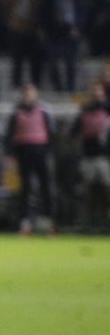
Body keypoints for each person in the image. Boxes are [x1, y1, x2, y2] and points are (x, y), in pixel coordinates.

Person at [6, 84, 56, 235]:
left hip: (41, 153)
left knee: (45, 187)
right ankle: (25, 222)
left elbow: (51, 134)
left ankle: (49, 221)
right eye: (26, 93)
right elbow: (10, 135)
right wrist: (11, 155)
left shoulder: (43, 111)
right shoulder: (17, 112)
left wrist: (48, 151)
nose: (28, 96)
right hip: (23, 154)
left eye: (31, 93)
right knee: (25, 189)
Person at [71, 81, 110, 232]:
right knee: (89, 189)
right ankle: (89, 222)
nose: (97, 94)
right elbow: (74, 131)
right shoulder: (85, 111)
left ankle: (106, 219)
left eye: (99, 91)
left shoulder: (107, 109)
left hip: (104, 156)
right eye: (94, 91)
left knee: (106, 188)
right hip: (88, 155)